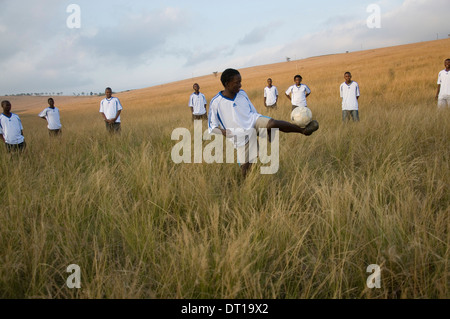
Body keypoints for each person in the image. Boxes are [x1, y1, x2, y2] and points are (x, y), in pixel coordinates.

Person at [208, 68, 319, 177]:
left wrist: (265, 128)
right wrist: (223, 131)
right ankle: (244, 187)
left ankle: (303, 130)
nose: (240, 85)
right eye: (237, 83)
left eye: (240, 82)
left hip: (253, 120)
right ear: (227, 84)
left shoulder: (242, 93)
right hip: (240, 135)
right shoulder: (216, 103)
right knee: (246, 168)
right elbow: (212, 127)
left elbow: (253, 111)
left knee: (273, 123)